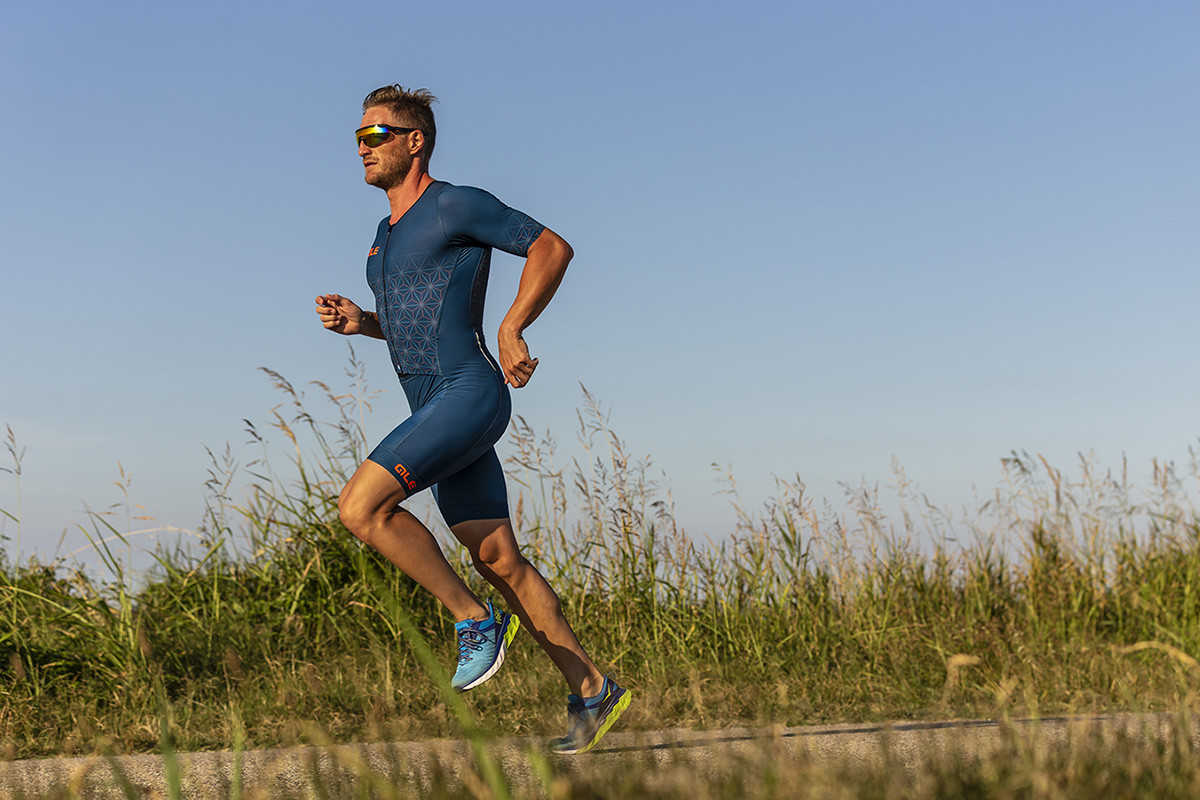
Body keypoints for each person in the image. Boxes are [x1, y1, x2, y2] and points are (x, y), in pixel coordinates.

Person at [315, 85, 630, 754]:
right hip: (434, 407)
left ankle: (472, 621)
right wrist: (363, 324)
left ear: (414, 141)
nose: (363, 148)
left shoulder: (455, 203)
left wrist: (514, 326)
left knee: (360, 508)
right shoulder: (383, 236)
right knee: (497, 558)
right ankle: (592, 689)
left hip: (469, 392)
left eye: (376, 136)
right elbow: (414, 324)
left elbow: (552, 247)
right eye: (357, 138)